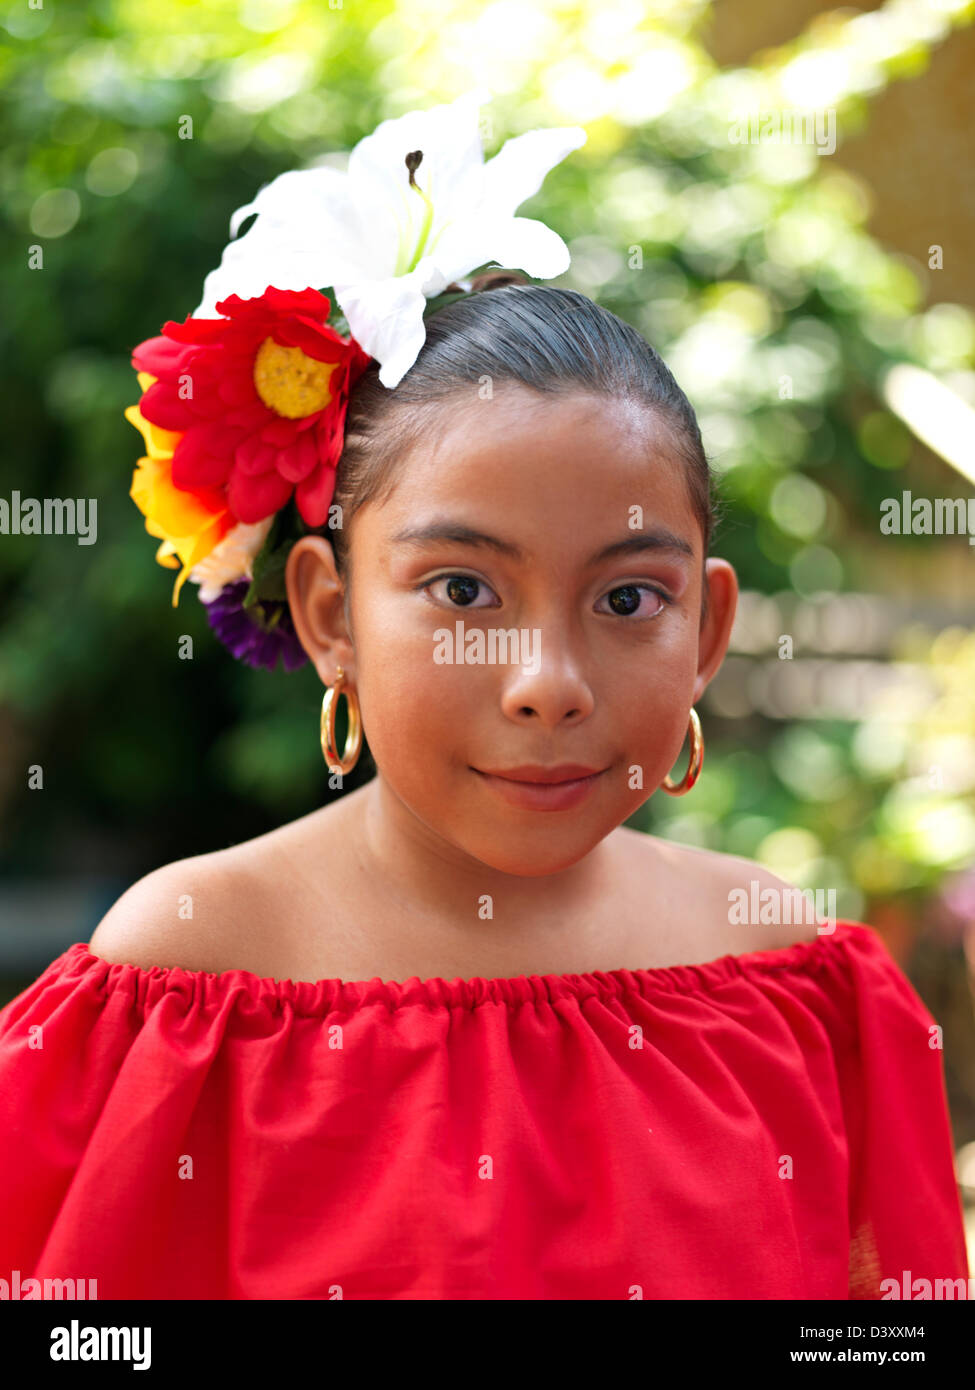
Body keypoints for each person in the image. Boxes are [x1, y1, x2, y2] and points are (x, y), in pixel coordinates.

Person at [0, 95, 968, 1302]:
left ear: (710, 627)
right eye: (463, 587)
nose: (548, 686)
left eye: (627, 602)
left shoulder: (798, 979)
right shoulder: (181, 987)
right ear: (331, 616)